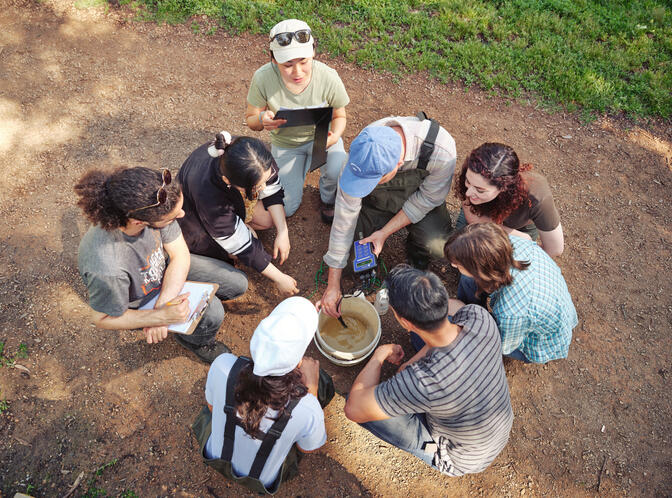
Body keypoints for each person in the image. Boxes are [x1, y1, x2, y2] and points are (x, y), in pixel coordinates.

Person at [344, 264, 513, 477]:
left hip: (460, 457)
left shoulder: (424, 380)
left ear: (404, 322)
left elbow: (354, 409)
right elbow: (457, 307)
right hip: (493, 430)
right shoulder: (481, 318)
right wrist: (408, 365)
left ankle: (433, 451)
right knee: (422, 337)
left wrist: (379, 355)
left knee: (360, 402)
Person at [75, 166, 232, 363]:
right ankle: (196, 341)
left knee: (236, 284)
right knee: (214, 312)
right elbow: (101, 318)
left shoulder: (158, 203)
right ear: (138, 222)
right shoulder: (108, 266)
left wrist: (163, 307)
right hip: (138, 301)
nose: (182, 215)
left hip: (161, 273)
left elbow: (180, 255)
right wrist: (158, 318)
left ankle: (189, 313)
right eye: (173, 217)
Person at [192, 297, 335, 494]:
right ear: (297, 363)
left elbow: (211, 408)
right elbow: (308, 448)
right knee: (325, 383)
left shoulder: (222, 365)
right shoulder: (307, 408)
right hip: (261, 479)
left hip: (215, 455)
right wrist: (312, 388)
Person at [319, 116, 456, 318]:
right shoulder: (360, 155)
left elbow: (425, 200)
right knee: (352, 263)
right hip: (377, 204)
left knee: (438, 245)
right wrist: (333, 284)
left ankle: (417, 253)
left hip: (419, 199)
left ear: (398, 163)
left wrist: (384, 233)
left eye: (373, 180)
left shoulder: (441, 151)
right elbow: (343, 220)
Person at [245, 18, 349, 221]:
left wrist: (334, 135)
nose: (297, 71)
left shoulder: (329, 77)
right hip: (286, 144)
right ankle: (294, 172)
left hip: (322, 137)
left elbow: (339, 115)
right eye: (288, 65)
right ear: (274, 59)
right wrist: (261, 119)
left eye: (304, 61)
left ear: (313, 53)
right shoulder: (263, 78)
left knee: (338, 167)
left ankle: (328, 198)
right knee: (287, 207)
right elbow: (251, 120)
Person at [178, 132, 298, 296]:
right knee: (238, 249)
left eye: (265, 180)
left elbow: (272, 188)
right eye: (257, 187)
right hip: (196, 221)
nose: (263, 188)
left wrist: (283, 232)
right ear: (228, 182)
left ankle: (240, 224)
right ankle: (227, 239)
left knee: (269, 218)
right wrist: (279, 278)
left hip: (228, 198)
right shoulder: (208, 193)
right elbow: (244, 247)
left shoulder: (252, 154)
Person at [445, 223, 577, 364]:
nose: (453, 265)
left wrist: (463, 315)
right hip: (550, 306)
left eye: (458, 264)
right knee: (467, 279)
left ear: (482, 271)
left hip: (540, 343)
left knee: (447, 323)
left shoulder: (511, 311)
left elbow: (500, 343)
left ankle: (468, 318)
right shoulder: (509, 244)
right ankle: (470, 312)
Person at [454, 142, 564, 256]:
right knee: (462, 252)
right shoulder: (474, 170)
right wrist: (522, 238)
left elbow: (555, 249)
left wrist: (526, 251)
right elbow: (472, 215)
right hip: (481, 214)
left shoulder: (536, 196)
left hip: (520, 227)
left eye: (480, 190)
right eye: (468, 182)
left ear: (504, 187)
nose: (468, 192)